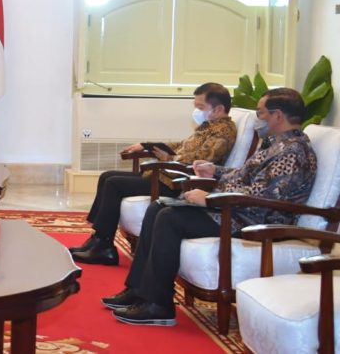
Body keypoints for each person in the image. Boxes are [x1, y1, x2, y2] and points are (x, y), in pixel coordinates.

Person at [102, 88, 317, 327]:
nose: (258, 119)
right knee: (157, 208)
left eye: (261, 113)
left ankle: (159, 305)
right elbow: (245, 176)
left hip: (253, 221)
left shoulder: (292, 152)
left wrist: (210, 198)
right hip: (237, 210)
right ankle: (138, 290)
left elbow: (266, 196)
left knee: (169, 218)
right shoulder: (274, 144)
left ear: (278, 116)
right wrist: (216, 171)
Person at [72, 82, 237, 265]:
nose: (196, 111)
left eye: (200, 107)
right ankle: (98, 239)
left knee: (114, 183)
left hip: (177, 183)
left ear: (218, 109)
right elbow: (181, 145)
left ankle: (104, 246)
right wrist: (147, 145)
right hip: (165, 176)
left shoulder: (224, 131)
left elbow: (204, 159)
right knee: (107, 176)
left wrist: (170, 158)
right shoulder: (208, 125)